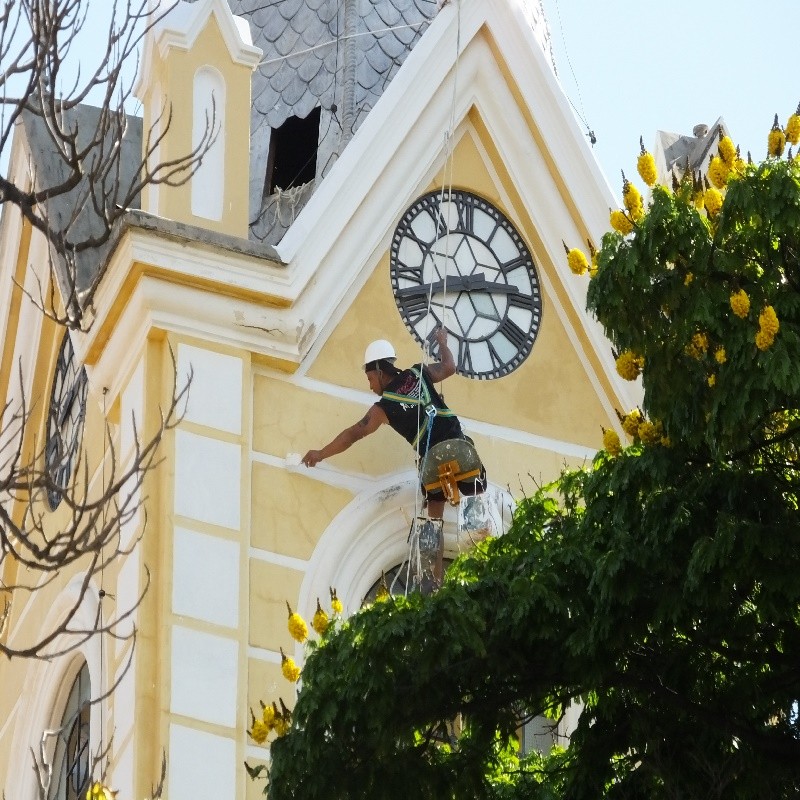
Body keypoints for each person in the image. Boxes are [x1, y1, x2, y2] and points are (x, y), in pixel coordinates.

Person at [302, 327, 486, 587]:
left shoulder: (383, 407)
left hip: (432, 460)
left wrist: (321, 453)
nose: (370, 386)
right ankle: (485, 553)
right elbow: (449, 367)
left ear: (378, 371)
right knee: (476, 490)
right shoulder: (418, 372)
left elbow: (354, 433)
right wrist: (443, 342)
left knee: (433, 517)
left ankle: (433, 581)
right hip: (458, 445)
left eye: (369, 379)